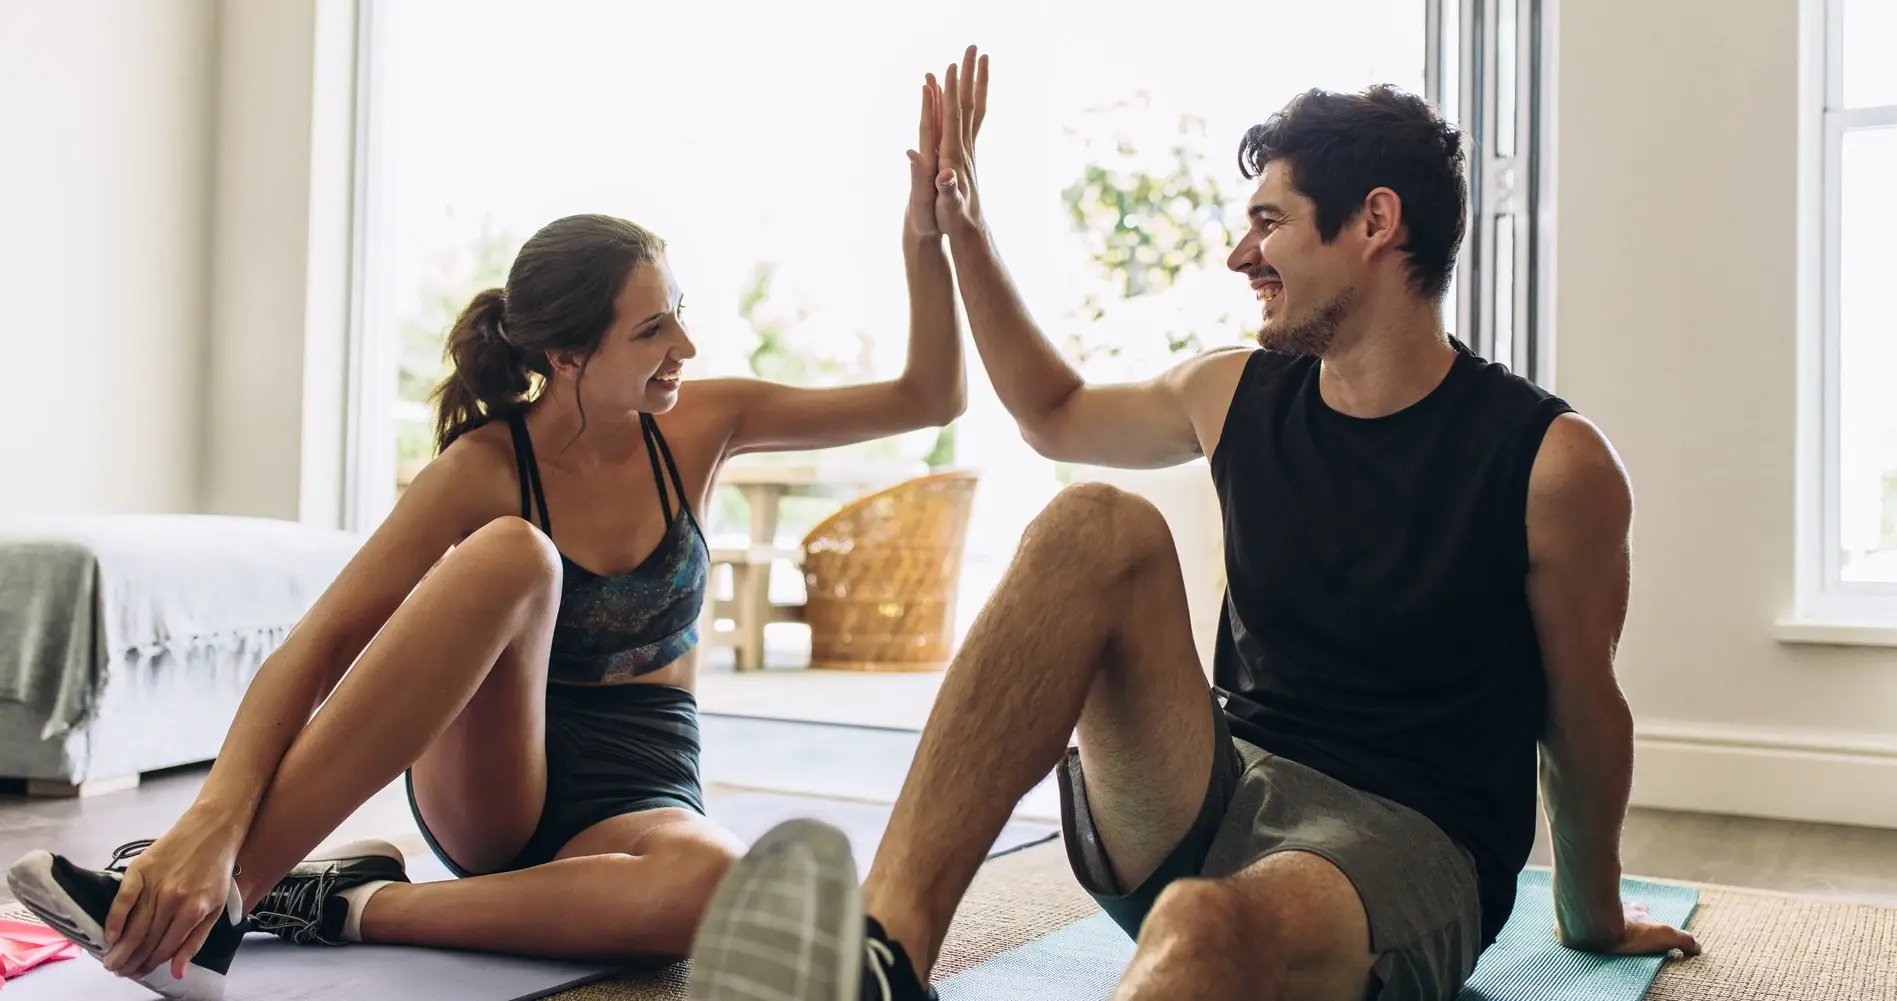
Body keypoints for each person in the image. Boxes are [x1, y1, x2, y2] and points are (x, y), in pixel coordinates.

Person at [684, 46, 1703, 1001]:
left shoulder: (1551, 460)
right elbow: (1053, 414)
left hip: (1408, 842)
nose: (1237, 253)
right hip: (1212, 782)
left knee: (1198, 929)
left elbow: (1581, 709)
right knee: (1093, 521)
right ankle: (881, 954)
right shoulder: (1234, 393)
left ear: (1374, 222)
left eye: (1268, 222)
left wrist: (1591, 915)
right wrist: (963, 229)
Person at [4, 73, 965, 1001]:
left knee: (716, 884)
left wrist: (927, 235)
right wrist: (212, 817)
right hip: (499, 781)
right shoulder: (484, 469)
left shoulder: (702, 427)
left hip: (643, 788)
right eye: (653, 331)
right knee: (515, 553)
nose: (686, 349)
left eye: (682, 317)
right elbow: (323, 643)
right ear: (567, 355)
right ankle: (234, 889)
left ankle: (339, 905)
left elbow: (929, 395)